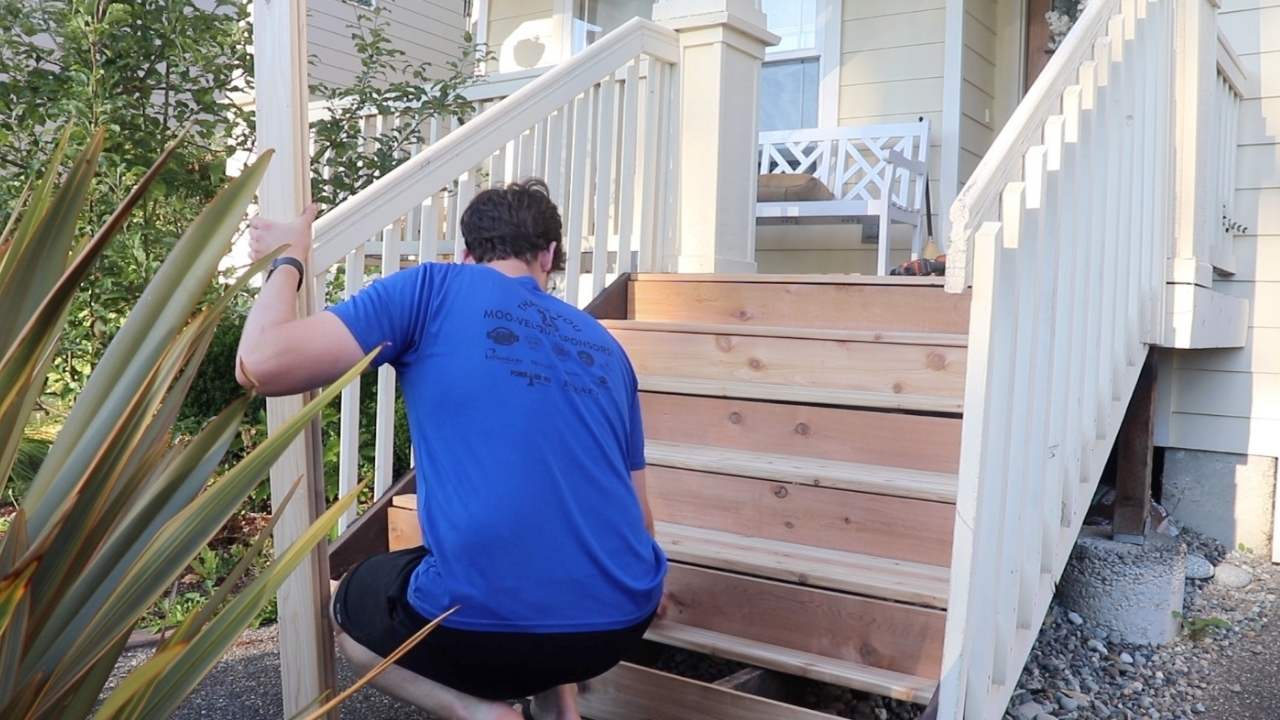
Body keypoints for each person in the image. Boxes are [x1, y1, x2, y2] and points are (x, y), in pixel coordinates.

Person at [235, 179, 667, 720]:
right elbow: (642, 521)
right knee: (532, 566)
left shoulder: (432, 290)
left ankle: (480, 713)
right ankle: (561, 708)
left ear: (465, 253)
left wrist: (290, 260)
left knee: (349, 609)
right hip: (619, 620)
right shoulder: (604, 344)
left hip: (487, 629)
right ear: (549, 255)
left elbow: (259, 364)